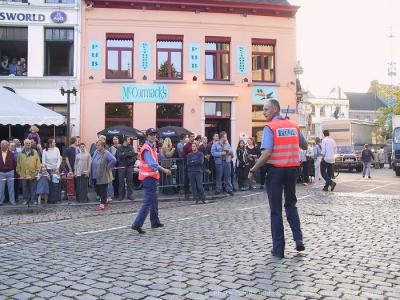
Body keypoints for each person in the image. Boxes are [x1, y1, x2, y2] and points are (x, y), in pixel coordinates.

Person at [248, 99, 307, 259]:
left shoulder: (270, 127)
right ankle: (298, 238)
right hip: (292, 171)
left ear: (275, 110)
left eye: (266, 109)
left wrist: (253, 169)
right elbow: (305, 145)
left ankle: (279, 249)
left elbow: (267, 153)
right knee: (291, 204)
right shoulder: (294, 126)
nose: (264, 112)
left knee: (276, 211)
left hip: (275, 172)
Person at [131, 128, 171, 234]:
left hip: (152, 178)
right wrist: (164, 170)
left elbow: (160, 158)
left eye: (154, 134)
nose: (154, 136)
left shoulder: (152, 147)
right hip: (148, 178)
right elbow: (152, 164)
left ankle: (155, 221)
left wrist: (162, 147)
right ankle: (137, 224)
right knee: (148, 201)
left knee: (154, 200)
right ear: (147, 136)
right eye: (152, 134)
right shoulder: (146, 148)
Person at [91, 140, 116, 211]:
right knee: (97, 189)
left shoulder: (106, 153)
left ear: (102, 146)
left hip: (103, 174)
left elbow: (113, 160)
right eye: (97, 145)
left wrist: (108, 167)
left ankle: (102, 204)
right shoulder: (96, 152)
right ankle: (105, 199)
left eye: (98, 145)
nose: (97, 146)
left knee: (103, 190)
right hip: (95, 174)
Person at [16, 139, 41, 205]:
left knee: (33, 187)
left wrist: (37, 171)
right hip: (23, 174)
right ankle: (25, 199)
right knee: (25, 188)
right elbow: (18, 164)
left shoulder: (34, 152)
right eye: (27, 143)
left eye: (29, 143)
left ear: (31, 144)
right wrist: (19, 173)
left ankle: (33, 200)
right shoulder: (20, 153)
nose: (28, 144)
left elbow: (38, 162)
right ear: (24, 144)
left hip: (32, 173)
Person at [0, 140, 16, 205]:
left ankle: (12, 201)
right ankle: (1, 201)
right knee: (1, 188)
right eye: (2, 144)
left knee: (11, 188)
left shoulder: (11, 154)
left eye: (4, 144)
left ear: (7, 145)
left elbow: (14, 163)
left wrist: (12, 169)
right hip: (1, 172)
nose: (3, 145)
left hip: (10, 172)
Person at [219, 131, 234, 196]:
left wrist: (227, 150)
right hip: (220, 162)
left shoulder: (228, 144)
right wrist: (221, 153)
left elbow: (231, 151)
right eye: (225, 136)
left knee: (228, 176)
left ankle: (229, 189)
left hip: (227, 161)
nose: (226, 138)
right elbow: (214, 152)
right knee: (219, 176)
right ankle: (219, 189)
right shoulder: (217, 144)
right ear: (222, 137)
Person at [182, 134, 195, 198]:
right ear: (189, 138)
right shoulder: (186, 146)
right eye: (192, 137)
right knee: (187, 179)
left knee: (195, 179)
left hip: (195, 165)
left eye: (193, 137)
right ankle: (186, 193)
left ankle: (195, 192)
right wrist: (190, 156)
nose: (193, 138)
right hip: (188, 165)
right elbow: (183, 155)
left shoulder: (195, 145)